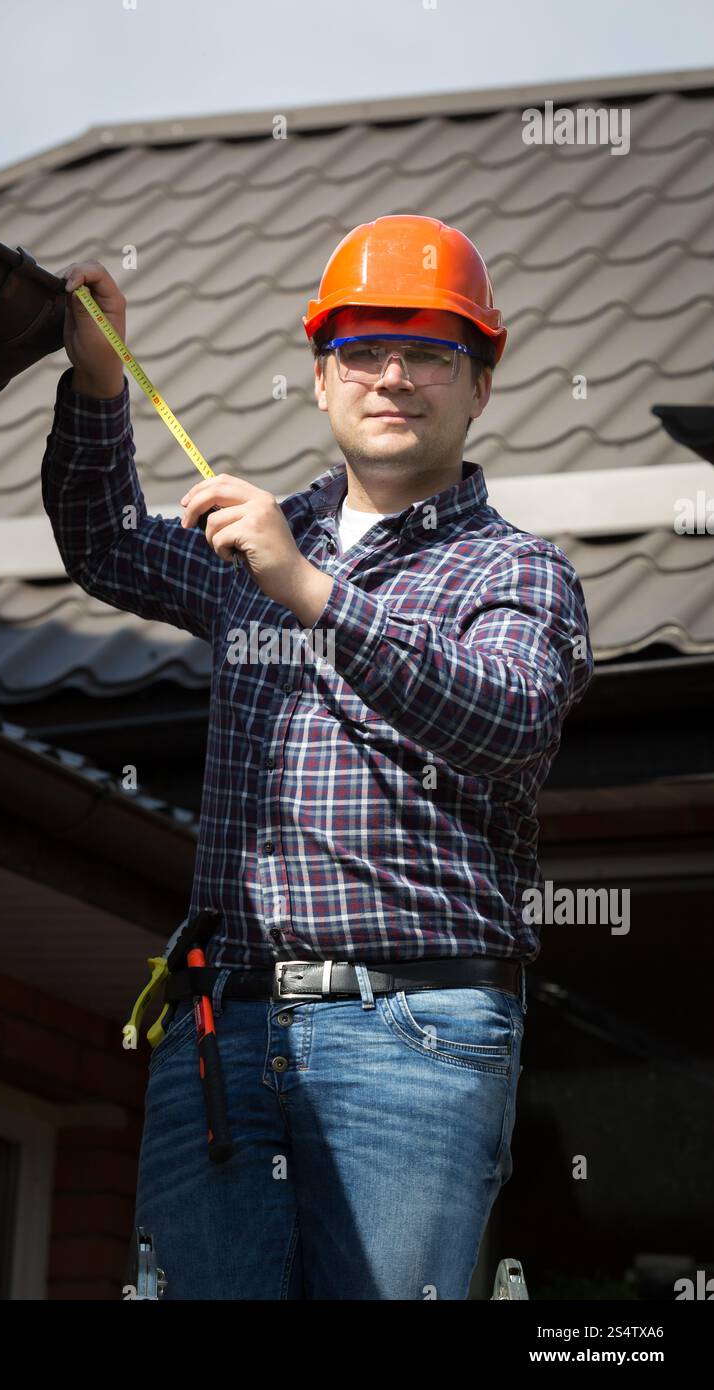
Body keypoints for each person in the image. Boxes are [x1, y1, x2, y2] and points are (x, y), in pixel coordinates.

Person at [42, 214, 595, 1299]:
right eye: (360, 351)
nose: (391, 377)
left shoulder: (518, 574)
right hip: (228, 1019)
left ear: (479, 384)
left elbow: (508, 723)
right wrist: (101, 384)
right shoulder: (258, 535)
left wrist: (309, 590)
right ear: (319, 377)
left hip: (415, 1028)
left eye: (428, 353)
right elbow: (100, 541)